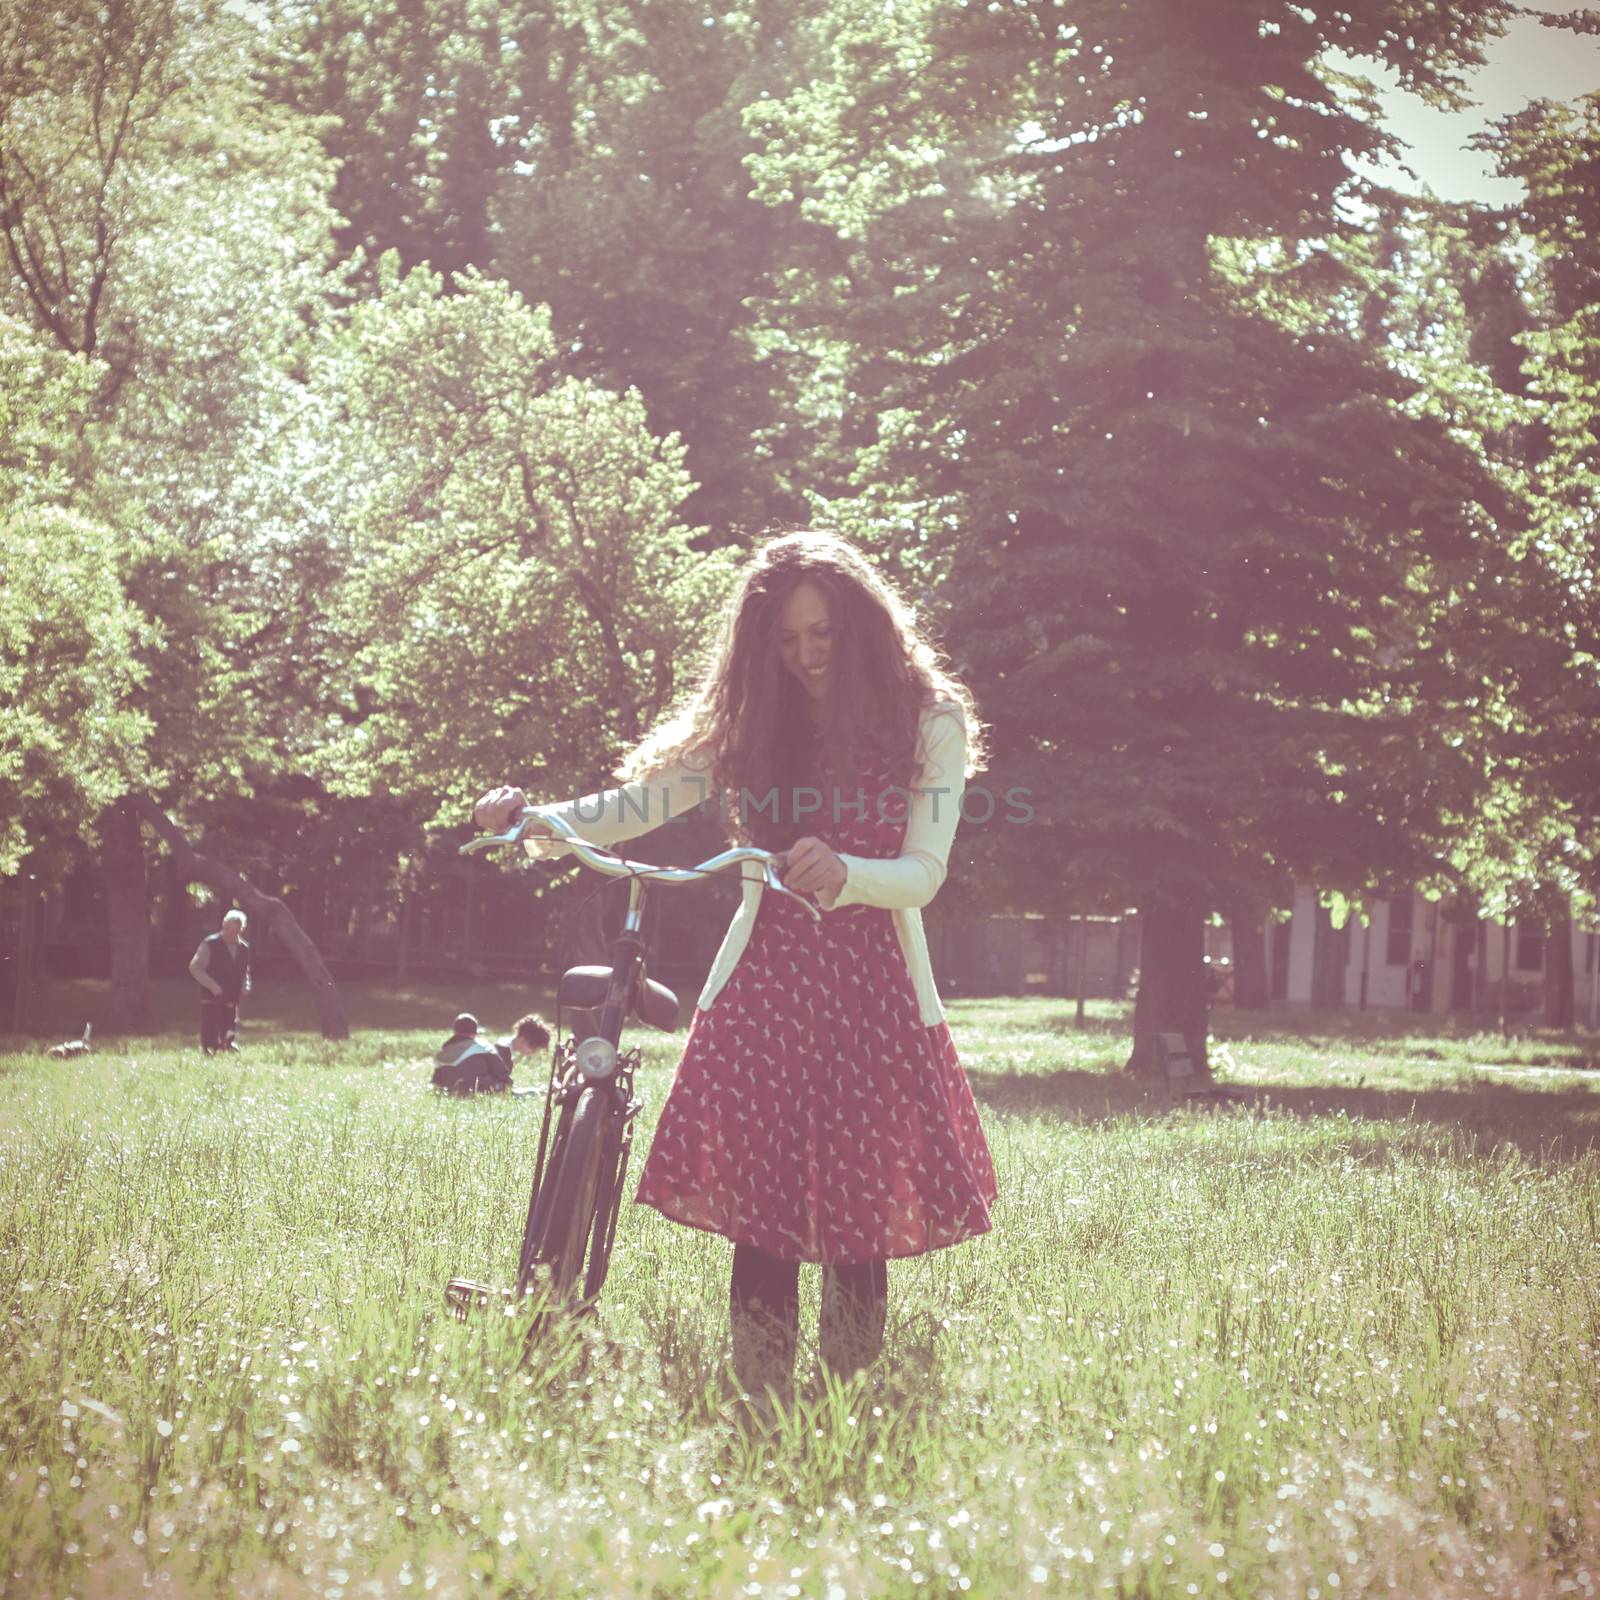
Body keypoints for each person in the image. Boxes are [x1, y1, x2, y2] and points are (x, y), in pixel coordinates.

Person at [474, 531, 997, 1405]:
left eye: (824, 634)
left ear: (862, 624)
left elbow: (926, 872)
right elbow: (640, 804)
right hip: (765, 984)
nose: (807, 657)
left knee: (859, 1208)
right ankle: (758, 1392)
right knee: (765, 1204)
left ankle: (846, 1399)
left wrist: (850, 873)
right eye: (788, 640)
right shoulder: (757, 718)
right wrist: (536, 818)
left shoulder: (928, 720)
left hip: (875, 989)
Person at [189, 909, 252, 1055]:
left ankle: (227, 1047)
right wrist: (212, 985)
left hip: (232, 996)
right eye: (227, 929)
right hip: (211, 995)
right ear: (223, 926)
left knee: (229, 1027)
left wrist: (246, 986)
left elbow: (245, 970)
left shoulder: (244, 948)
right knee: (210, 1028)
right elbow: (195, 967)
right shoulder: (210, 944)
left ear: (241, 930)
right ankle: (209, 1053)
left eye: (234, 931)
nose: (230, 933)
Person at [433, 1012, 511, 1095]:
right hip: (475, 1090)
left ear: (455, 1031)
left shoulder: (444, 1050)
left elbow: (436, 1080)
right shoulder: (482, 1046)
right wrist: (508, 1084)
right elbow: (501, 1072)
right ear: (475, 1033)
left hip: (447, 1091)